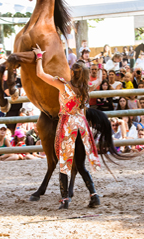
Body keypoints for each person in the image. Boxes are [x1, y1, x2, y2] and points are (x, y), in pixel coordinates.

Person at [33, 45, 101, 209]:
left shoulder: (63, 86)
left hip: (68, 126)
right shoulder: (87, 87)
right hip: (82, 126)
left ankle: (65, 200)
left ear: (72, 72)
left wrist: (39, 56)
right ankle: (94, 195)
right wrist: (100, 66)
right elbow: (99, 79)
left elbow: (40, 74)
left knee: (65, 163)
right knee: (81, 165)